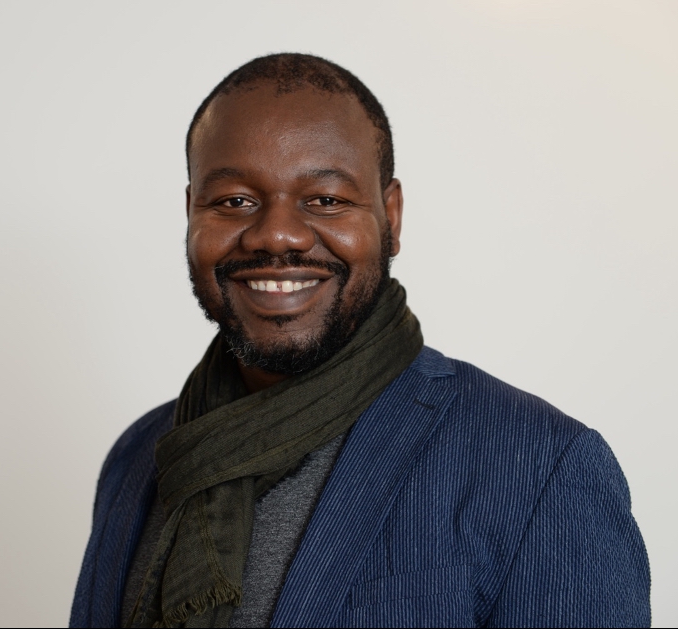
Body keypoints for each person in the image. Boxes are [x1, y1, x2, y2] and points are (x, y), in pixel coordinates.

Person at [70, 53, 650, 628]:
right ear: (191, 213)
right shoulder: (141, 456)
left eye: (325, 200)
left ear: (390, 217)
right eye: (234, 201)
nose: (277, 234)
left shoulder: (539, 468)